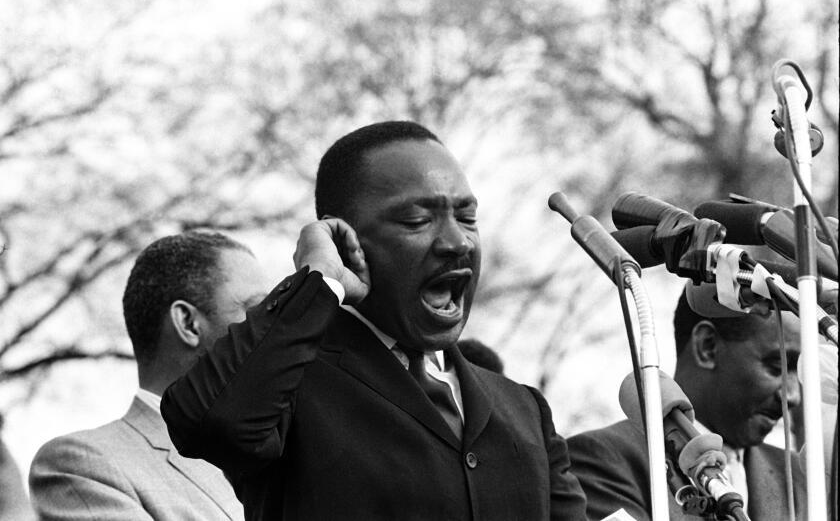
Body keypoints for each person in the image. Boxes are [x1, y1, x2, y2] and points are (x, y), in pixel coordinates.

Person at [161, 121, 587, 520]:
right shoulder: (291, 385)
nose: (457, 241)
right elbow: (209, 423)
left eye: (467, 217)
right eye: (418, 221)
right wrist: (319, 282)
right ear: (346, 239)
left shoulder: (525, 409)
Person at [29, 231, 267, 521]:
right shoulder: (84, 465)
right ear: (189, 324)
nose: (274, 327)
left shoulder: (290, 455)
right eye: (256, 309)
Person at [567, 285, 806, 520]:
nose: (793, 395)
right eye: (778, 368)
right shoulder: (605, 461)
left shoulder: (801, 477)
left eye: (801, 373)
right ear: (707, 346)